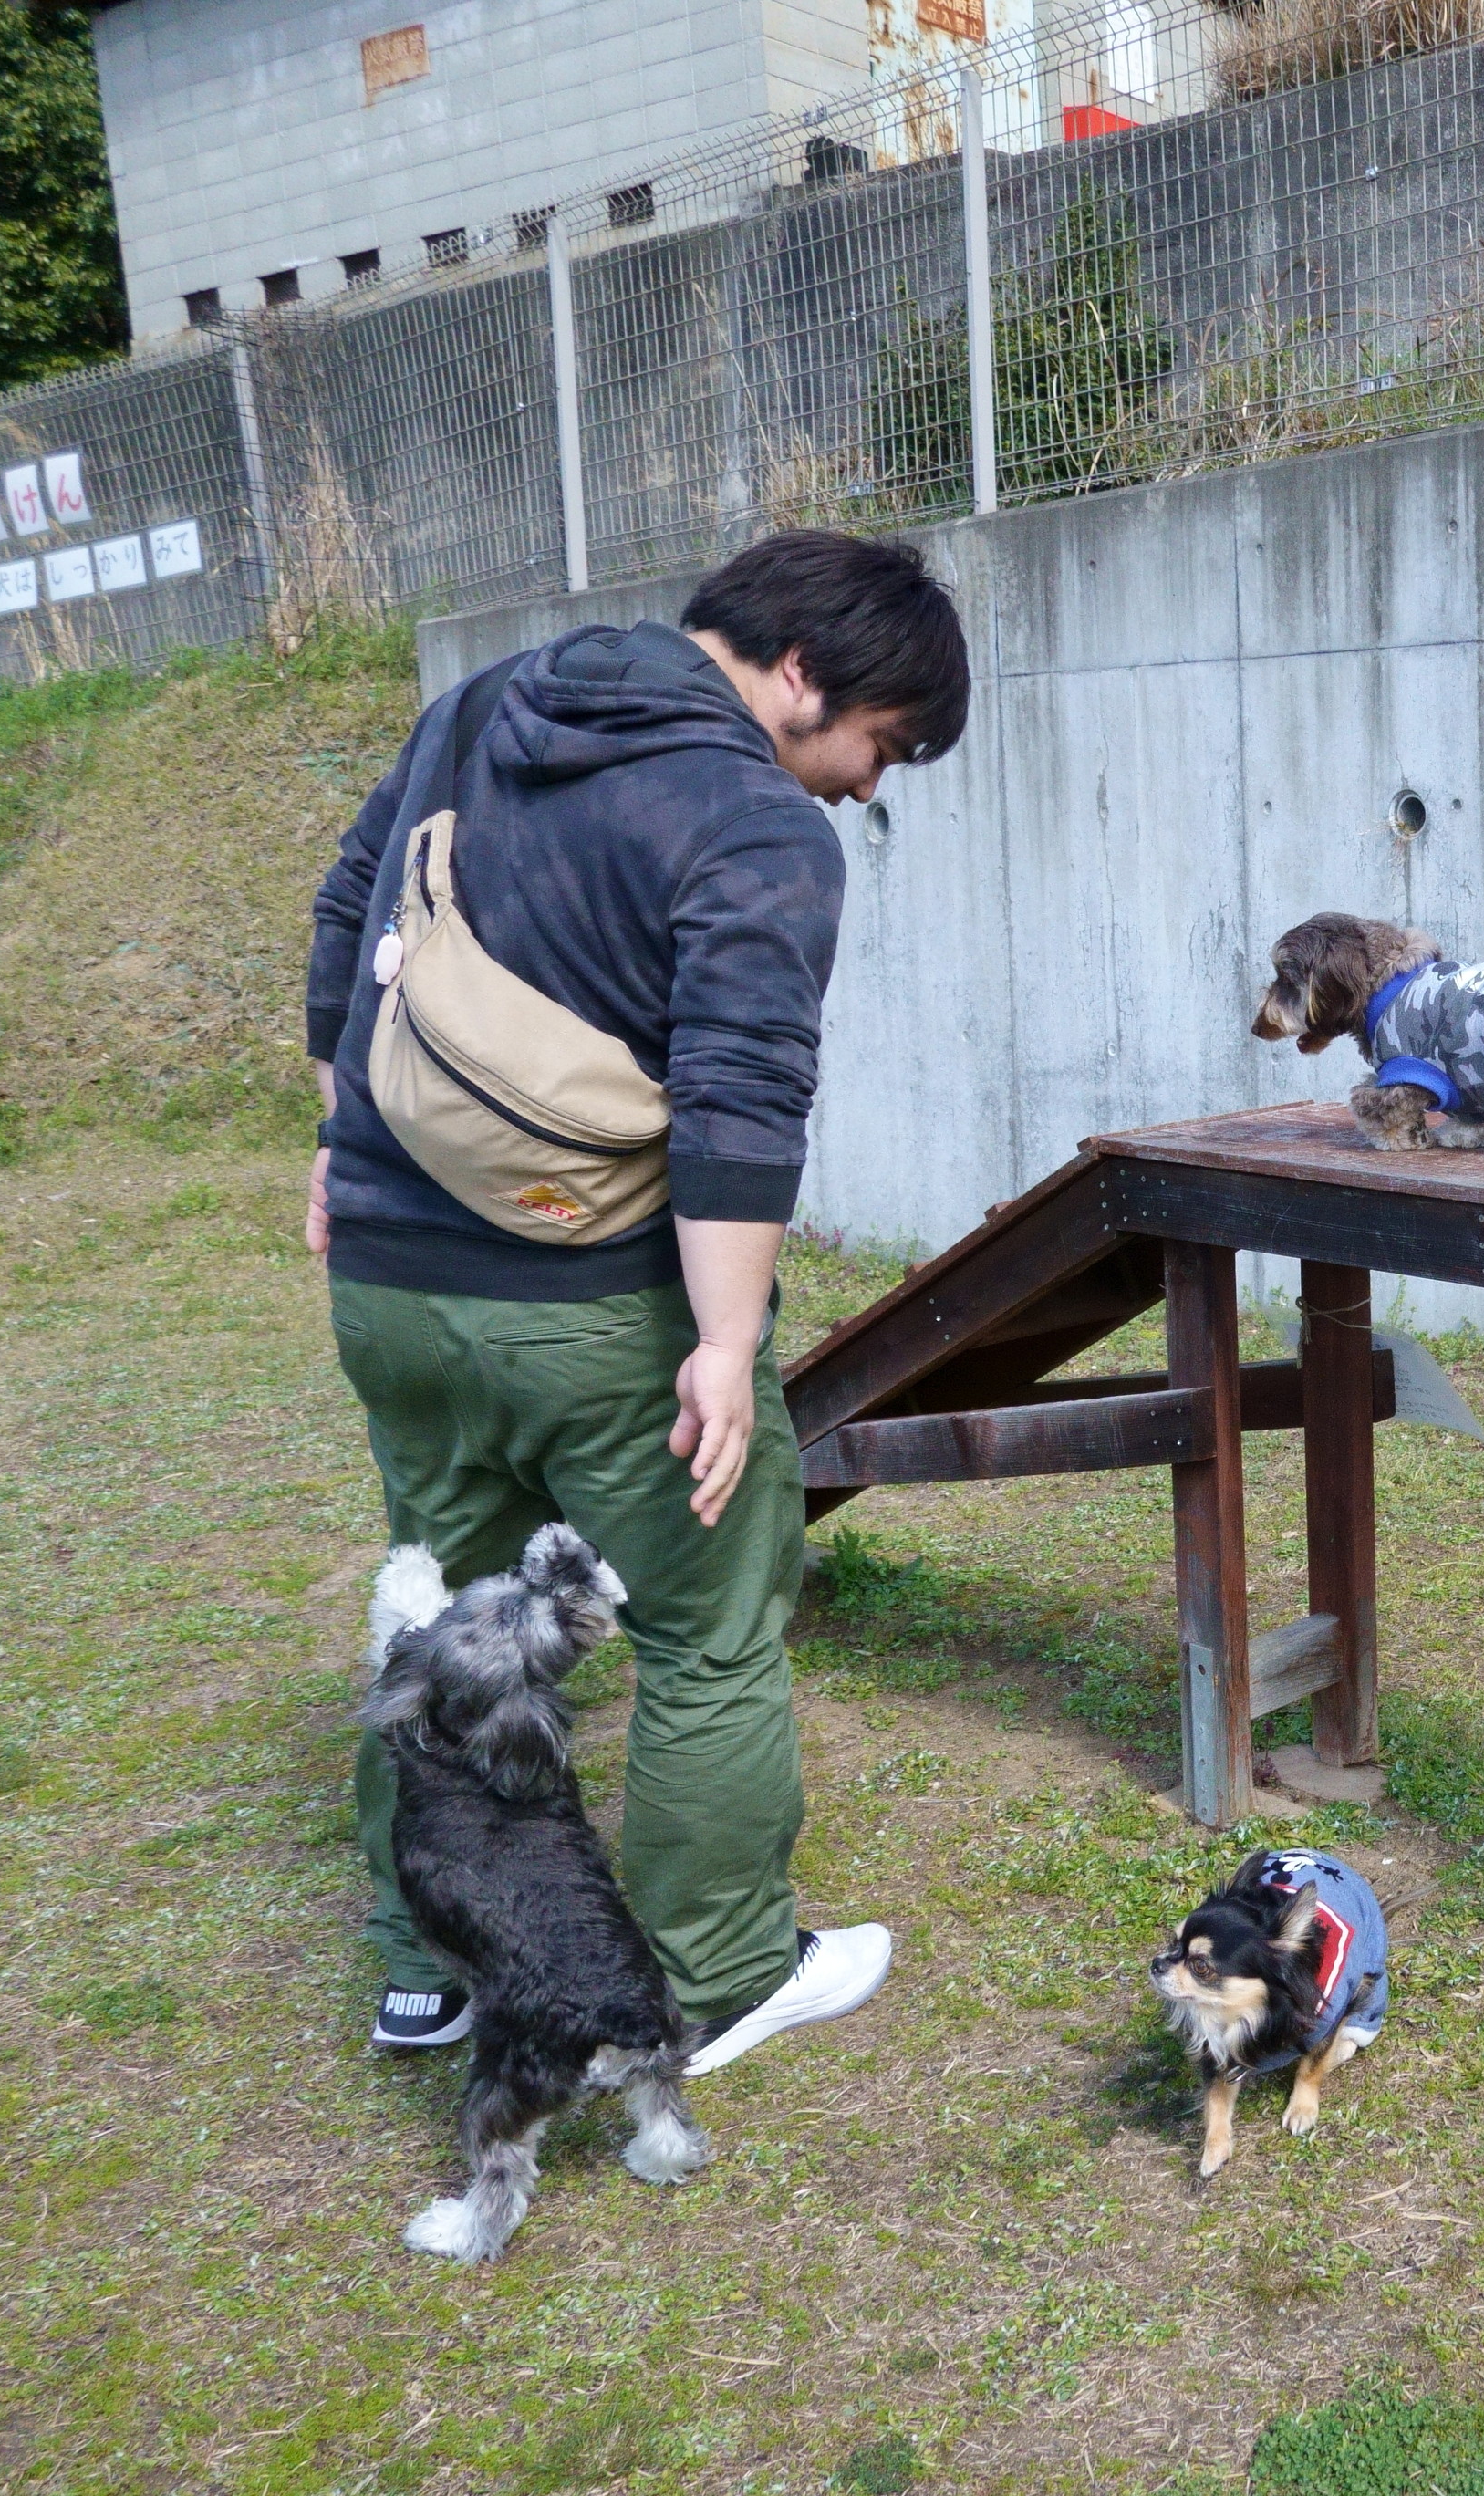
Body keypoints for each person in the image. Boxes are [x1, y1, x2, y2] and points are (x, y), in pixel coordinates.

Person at [304, 531, 970, 2076]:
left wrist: (342, 1137)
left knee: (448, 1613)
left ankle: (428, 1966)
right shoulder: (754, 822)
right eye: (885, 744)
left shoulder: (478, 708)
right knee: (708, 1622)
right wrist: (727, 1345)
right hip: (591, 1305)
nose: (872, 787)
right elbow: (742, 1096)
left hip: (392, 1289)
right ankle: (727, 1970)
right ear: (802, 675)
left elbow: (353, 908)